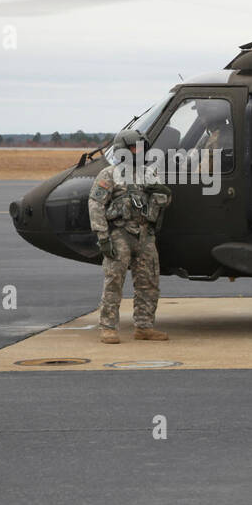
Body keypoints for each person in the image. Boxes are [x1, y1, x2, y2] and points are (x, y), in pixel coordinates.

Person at [88, 129, 172, 344]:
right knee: (114, 281)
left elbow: (164, 200)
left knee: (149, 283)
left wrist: (160, 190)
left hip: (145, 235)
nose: (139, 151)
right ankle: (108, 327)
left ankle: (144, 327)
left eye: (141, 148)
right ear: (123, 149)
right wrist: (103, 236)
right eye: (135, 148)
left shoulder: (148, 173)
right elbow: (96, 204)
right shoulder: (109, 174)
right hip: (120, 234)